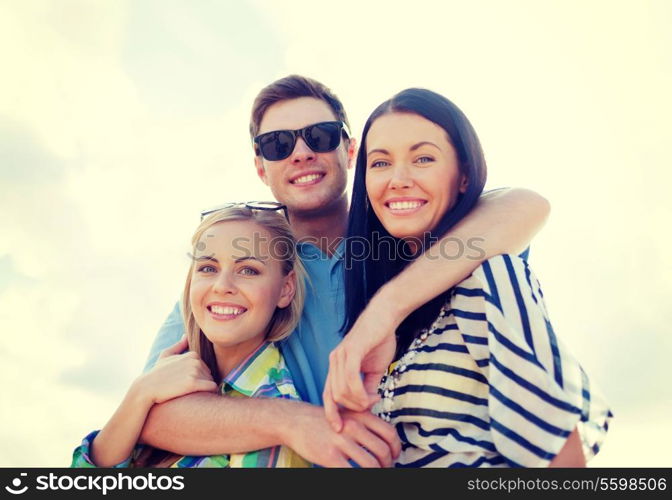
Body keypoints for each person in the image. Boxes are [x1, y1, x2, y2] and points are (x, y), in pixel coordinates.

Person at [139, 75, 552, 467]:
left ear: (350, 151)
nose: (301, 153)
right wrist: (293, 421)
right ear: (261, 168)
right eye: (278, 143)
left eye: (320, 136)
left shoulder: (416, 234)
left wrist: (384, 310)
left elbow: (524, 205)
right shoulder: (243, 273)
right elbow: (154, 417)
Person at [328, 88, 612, 467]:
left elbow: (560, 455)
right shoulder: (377, 295)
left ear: (463, 176)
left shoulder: (490, 277)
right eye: (380, 163)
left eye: (423, 158)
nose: (398, 179)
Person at [72, 207, 310, 467]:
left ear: (285, 289)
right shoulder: (163, 382)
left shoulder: (281, 425)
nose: (221, 286)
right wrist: (141, 392)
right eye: (208, 268)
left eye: (248, 270)